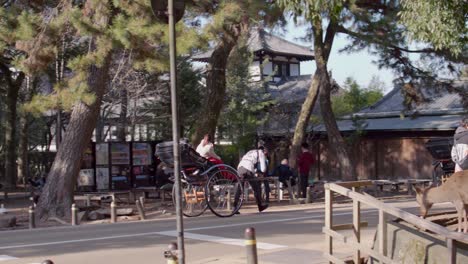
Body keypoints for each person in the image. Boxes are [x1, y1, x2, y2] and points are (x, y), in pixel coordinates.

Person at [235, 146, 269, 212]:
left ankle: (235, 207)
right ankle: (260, 206)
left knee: (239, 188)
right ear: (263, 151)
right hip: (248, 168)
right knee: (256, 188)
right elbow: (263, 169)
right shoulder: (261, 153)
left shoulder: (250, 151)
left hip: (240, 167)